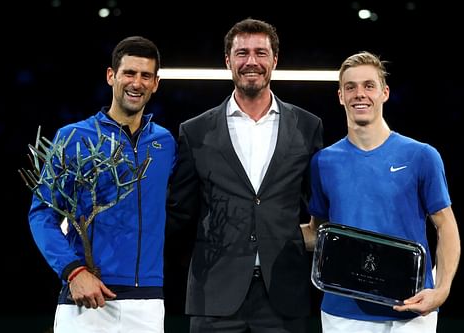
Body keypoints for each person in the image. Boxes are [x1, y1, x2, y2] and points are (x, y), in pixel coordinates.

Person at [166, 18, 324, 333]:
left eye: (260, 53)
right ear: (228, 61)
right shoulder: (194, 131)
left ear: (275, 60)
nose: (251, 62)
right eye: (242, 53)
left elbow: (319, 206)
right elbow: (178, 213)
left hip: (284, 295)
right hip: (214, 296)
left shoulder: (308, 127)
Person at [302, 51, 461, 333]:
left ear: (384, 93)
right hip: (342, 313)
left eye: (368, 86)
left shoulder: (422, 156)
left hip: (411, 311)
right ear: (340, 96)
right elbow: (318, 232)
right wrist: (262, 233)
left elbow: (446, 225)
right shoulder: (323, 162)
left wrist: (442, 290)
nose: (359, 94)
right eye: (350, 87)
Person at [27, 36, 176, 333]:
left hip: (146, 302)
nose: (137, 83)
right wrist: (73, 271)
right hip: (86, 296)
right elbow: (41, 214)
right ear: (111, 76)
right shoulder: (73, 137)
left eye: (146, 75)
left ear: (156, 83)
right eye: (129, 73)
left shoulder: (165, 142)